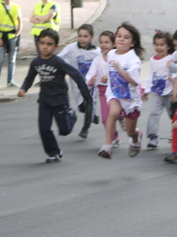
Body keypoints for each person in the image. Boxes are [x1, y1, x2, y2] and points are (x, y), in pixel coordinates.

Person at [19, 29, 93, 163]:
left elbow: (76, 75)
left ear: (56, 46)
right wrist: (24, 89)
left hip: (60, 100)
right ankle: (54, 152)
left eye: (49, 44)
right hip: (44, 100)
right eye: (42, 43)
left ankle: (71, 115)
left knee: (65, 131)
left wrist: (87, 96)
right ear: (38, 43)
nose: (45, 46)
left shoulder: (58, 62)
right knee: (44, 129)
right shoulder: (36, 62)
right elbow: (29, 78)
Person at [97, 23, 144, 159]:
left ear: (133, 42)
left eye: (126, 37)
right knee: (113, 112)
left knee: (129, 132)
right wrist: (107, 75)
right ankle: (107, 145)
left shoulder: (133, 60)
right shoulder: (111, 53)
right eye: (119, 36)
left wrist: (120, 71)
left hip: (130, 98)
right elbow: (111, 70)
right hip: (114, 92)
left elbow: (135, 82)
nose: (121, 39)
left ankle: (136, 137)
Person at [58, 24, 100, 139]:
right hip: (76, 84)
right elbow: (59, 59)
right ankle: (92, 116)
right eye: (80, 36)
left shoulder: (97, 52)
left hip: (91, 84)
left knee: (90, 102)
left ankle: (85, 129)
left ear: (92, 37)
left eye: (85, 36)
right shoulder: (71, 49)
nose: (82, 39)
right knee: (82, 107)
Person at [143, 31, 174, 149]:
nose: (159, 47)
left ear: (168, 46)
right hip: (157, 93)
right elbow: (150, 75)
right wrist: (146, 90)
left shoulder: (171, 58)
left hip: (170, 93)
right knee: (153, 114)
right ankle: (153, 137)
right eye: (156, 44)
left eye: (162, 44)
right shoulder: (152, 60)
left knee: (174, 115)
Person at [0, 0, 21, 88]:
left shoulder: (16, 7)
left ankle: (10, 80)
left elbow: (20, 23)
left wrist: (17, 35)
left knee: (12, 60)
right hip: (1, 35)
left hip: (12, 36)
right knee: (0, 60)